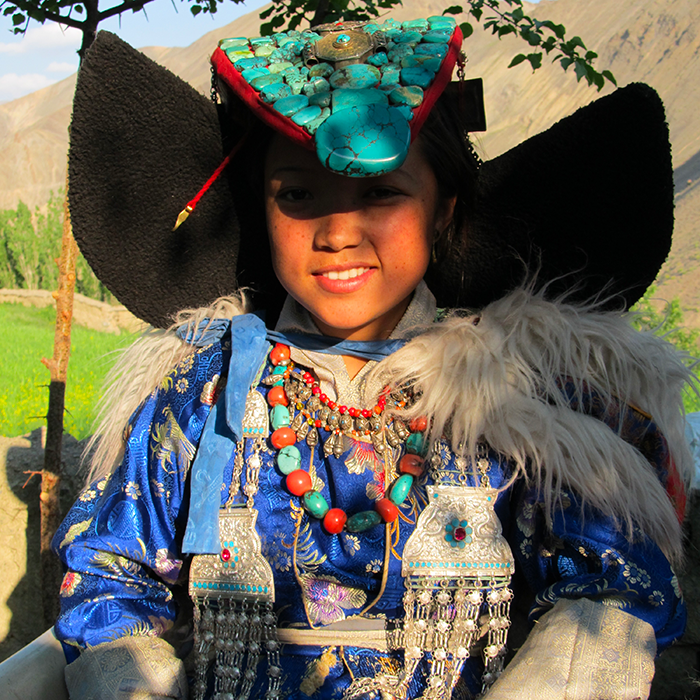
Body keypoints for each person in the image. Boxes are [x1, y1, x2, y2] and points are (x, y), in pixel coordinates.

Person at [52, 17, 692, 700]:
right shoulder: (204, 396)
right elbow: (105, 581)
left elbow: (609, 590)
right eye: (297, 196)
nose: (336, 233)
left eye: (381, 193)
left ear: (444, 209)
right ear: (260, 209)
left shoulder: (522, 404)